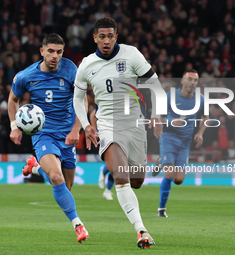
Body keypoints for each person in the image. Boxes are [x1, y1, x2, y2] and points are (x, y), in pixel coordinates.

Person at [73, 17, 162, 249]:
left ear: (116, 37)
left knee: (137, 181)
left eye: (110, 36)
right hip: (108, 127)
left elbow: (155, 85)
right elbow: (77, 98)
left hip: (135, 127)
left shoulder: (132, 55)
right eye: (101, 36)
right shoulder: (86, 65)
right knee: (121, 177)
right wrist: (86, 125)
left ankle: (132, 207)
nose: (106, 40)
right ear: (95, 38)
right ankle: (141, 231)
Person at [8, 33, 89, 243]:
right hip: (43, 134)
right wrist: (14, 126)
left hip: (67, 135)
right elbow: (12, 99)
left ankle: (35, 168)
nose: (55, 56)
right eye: (51, 51)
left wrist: (76, 130)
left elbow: (83, 100)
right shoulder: (26, 75)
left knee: (66, 188)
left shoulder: (71, 69)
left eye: (59, 52)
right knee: (56, 177)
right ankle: (78, 226)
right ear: (42, 51)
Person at [153, 69, 208, 217]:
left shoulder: (201, 99)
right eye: (189, 79)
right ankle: (161, 209)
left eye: (195, 80)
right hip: (168, 137)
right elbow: (159, 117)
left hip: (185, 141)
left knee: (178, 180)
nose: (192, 83)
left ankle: (160, 161)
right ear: (183, 81)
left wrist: (200, 133)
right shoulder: (170, 96)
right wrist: (171, 121)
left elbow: (206, 118)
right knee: (170, 174)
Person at [90, 107, 115, 200]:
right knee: (115, 163)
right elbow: (93, 114)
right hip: (108, 133)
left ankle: (107, 190)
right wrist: (96, 130)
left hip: (121, 133)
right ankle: (104, 172)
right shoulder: (106, 100)